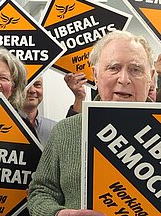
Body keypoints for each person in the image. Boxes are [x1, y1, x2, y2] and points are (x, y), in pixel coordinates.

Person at [28, 30, 154, 216]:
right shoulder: (65, 131)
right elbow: (40, 192)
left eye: (136, 69)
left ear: (151, 76)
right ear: (95, 75)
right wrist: (59, 214)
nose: (124, 79)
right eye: (113, 68)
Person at [19, 77, 58, 146]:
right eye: (25, 84)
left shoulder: (55, 128)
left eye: (37, 84)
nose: (32, 90)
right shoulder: (1, 128)